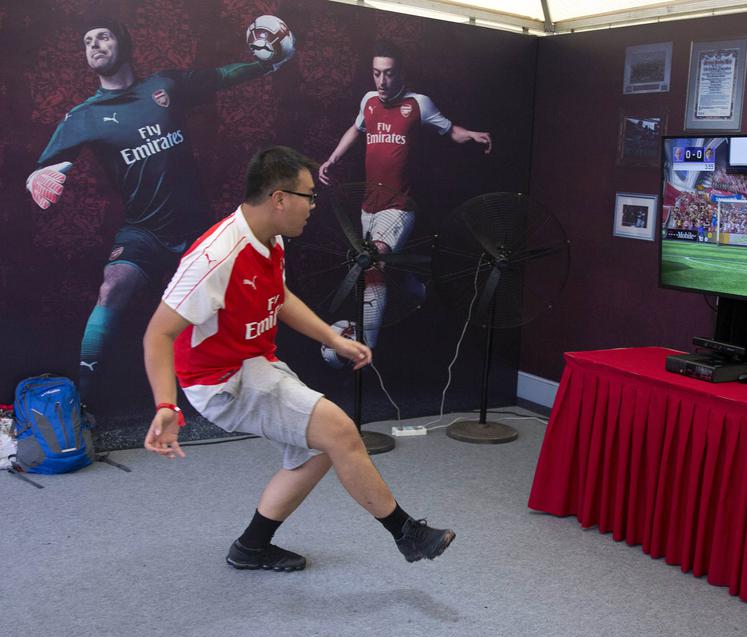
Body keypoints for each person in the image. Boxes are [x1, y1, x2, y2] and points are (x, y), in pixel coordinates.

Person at [142, 146, 454, 571]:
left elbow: (279, 297)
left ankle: (251, 547)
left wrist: (332, 337)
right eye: (308, 196)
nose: (313, 206)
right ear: (279, 198)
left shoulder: (270, 239)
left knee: (318, 450)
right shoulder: (217, 257)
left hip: (252, 363)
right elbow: (158, 333)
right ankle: (407, 533)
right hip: (222, 381)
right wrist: (165, 405)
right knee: (341, 432)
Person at [27, 18, 292, 405]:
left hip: (199, 230)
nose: (95, 45)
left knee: (237, 298)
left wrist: (265, 64)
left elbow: (217, 76)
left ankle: (247, 383)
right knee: (112, 285)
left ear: (124, 44)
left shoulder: (163, 86)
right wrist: (39, 178)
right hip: (144, 231)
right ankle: (83, 400)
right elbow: (45, 167)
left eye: (103, 37)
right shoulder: (83, 116)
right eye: (87, 41)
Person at [318, 40, 492, 347]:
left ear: (401, 74)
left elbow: (449, 129)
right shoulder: (369, 100)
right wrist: (333, 159)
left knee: (370, 263)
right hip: (368, 205)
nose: (382, 82)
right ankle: (414, 287)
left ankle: (365, 348)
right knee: (381, 266)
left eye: (388, 74)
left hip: (400, 205)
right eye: (376, 74)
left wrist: (471, 134)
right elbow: (355, 129)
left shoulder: (418, 104)